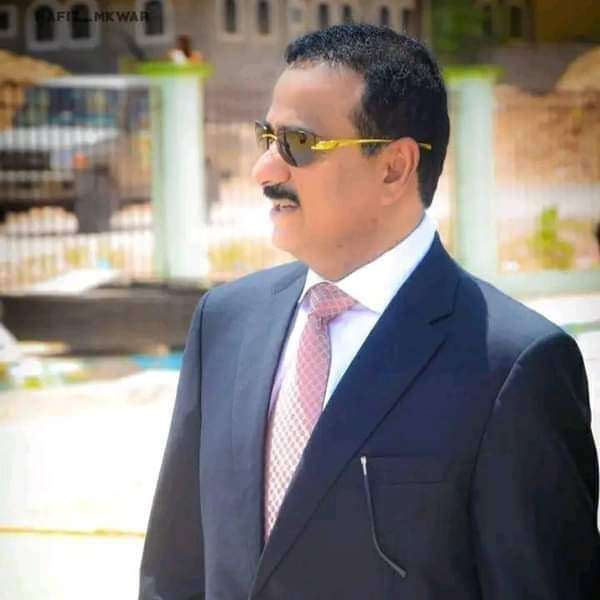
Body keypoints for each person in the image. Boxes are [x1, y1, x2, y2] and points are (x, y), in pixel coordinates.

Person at [139, 24, 600, 599]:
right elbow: (175, 572)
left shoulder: (512, 366)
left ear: (394, 168)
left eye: (299, 143)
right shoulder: (226, 323)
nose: (265, 170)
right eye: (267, 137)